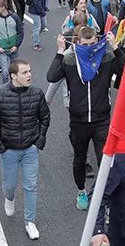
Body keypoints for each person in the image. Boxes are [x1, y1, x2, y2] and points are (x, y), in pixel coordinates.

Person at [48, 22, 114, 211]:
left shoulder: (105, 57)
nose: (89, 48)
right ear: (77, 42)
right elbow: (52, 76)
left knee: (105, 160)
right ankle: (81, 191)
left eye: (92, 44)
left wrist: (115, 47)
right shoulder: (70, 59)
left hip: (102, 119)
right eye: (84, 45)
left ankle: (104, 196)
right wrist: (60, 51)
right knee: (79, 159)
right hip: (78, 120)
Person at [0, 59, 48, 239]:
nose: (29, 75)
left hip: (30, 149)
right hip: (9, 151)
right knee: (9, 185)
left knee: (31, 186)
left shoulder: (37, 94)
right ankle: (10, 198)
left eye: (29, 71)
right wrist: (0, 146)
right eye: (24, 73)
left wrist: (39, 142)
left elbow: (44, 118)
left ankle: (30, 222)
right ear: (13, 76)